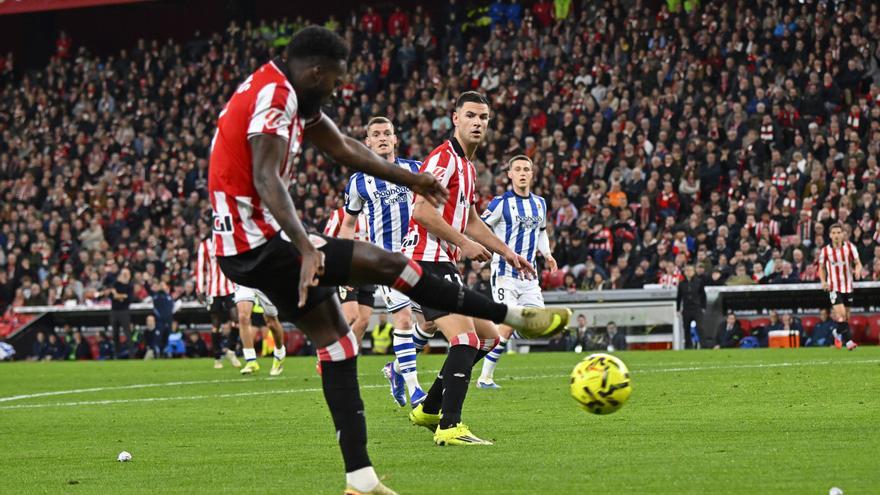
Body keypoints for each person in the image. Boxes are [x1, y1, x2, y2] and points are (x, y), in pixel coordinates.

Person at [208, 28, 568, 495]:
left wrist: (409, 179)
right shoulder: (275, 97)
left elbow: (343, 148)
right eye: (335, 79)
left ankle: (360, 481)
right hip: (260, 243)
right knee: (390, 266)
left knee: (340, 344)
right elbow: (265, 178)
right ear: (316, 71)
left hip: (251, 243)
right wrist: (307, 247)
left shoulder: (289, 91)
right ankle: (512, 317)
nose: (337, 89)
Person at [403, 91, 566, 446]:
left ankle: (429, 409)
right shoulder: (443, 159)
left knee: (489, 337)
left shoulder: (468, 166)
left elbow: (472, 219)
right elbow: (421, 211)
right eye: (471, 116)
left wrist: (508, 253)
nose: (477, 123)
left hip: (441, 260)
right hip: (425, 259)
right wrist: (463, 243)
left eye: (483, 117)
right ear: (455, 118)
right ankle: (450, 426)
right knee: (465, 340)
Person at [339, 116, 434, 407]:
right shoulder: (359, 181)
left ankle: (396, 369)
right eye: (376, 134)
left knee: (431, 323)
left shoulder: (415, 170)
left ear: (395, 139)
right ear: (367, 142)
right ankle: (415, 390)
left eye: (387, 133)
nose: (382, 138)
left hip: (420, 257)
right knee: (403, 319)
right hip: (387, 261)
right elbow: (348, 225)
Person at [477, 155, 557, 389]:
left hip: (529, 277)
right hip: (505, 274)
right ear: (510, 174)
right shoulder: (500, 203)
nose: (522, 173)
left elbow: (541, 231)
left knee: (537, 326)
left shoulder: (540, 203)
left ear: (532, 174)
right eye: (518, 169)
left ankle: (496, 332)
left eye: (526, 169)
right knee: (510, 320)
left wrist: (547, 254)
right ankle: (485, 378)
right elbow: (480, 227)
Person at [324, 206, 375, 349]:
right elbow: (326, 241)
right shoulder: (340, 214)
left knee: (363, 322)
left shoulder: (376, 211)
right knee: (351, 316)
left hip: (369, 272)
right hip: (347, 271)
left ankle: (349, 356)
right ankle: (327, 352)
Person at [197, 235, 240, 369]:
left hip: (230, 287)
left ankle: (231, 351)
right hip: (213, 290)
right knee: (216, 323)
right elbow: (201, 268)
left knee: (236, 318)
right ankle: (217, 357)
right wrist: (200, 289)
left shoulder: (229, 239)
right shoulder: (205, 245)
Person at [818, 223, 863, 350]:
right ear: (830, 235)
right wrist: (823, 281)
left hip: (848, 286)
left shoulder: (850, 247)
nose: (836, 235)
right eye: (834, 233)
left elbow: (858, 263)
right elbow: (821, 268)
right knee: (841, 314)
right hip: (833, 287)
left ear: (843, 234)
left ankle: (837, 332)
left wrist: (858, 270)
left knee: (846, 316)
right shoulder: (825, 251)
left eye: (839, 232)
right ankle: (848, 342)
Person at [235, 285, 286, 376]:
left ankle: (279, 353)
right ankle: (251, 360)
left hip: (264, 280)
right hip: (245, 280)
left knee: (271, 323)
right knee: (243, 317)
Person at [676, 265, 706, 348]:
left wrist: (703, 307)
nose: (688, 272)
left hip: (696, 308)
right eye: (687, 270)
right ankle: (688, 345)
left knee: (700, 327)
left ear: (693, 272)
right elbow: (679, 297)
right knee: (686, 328)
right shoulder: (681, 284)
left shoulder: (699, 282)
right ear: (684, 272)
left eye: (690, 270)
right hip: (686, 308)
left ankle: (703, 345)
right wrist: (678, 309)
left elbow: (703, 295)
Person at [108, 267, 134, 358]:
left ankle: (131, 355)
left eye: (127, 274)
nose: (125, 276)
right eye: (124, 274)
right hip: (114, 311)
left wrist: (117, 295)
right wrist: (122, 296)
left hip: (124, 312)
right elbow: (111, 296)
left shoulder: (130, 286)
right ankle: (117, 354)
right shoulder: (115, 284)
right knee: (115, 334)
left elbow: (129, 298)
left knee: (127, 333)